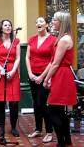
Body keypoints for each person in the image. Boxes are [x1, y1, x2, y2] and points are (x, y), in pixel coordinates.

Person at [43, 11, 77, 146]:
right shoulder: (66, 37)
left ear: (62, 22)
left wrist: (46, 79)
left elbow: (56, 63)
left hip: (61, 75)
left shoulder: (63, 40)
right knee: (60, 110)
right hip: (62, 74)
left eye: (55, 20)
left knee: (52, 110)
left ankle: (61, 142)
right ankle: (66, 139)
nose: (53, 22)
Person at [0, 19, 21, 137]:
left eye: (10, 25)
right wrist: (1, 69)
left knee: (14, 103)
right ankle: (1, 127)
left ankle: (14, 127)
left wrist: (13, 70)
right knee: (0, 102)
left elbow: (18, 58)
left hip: (12, 72)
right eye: (5, 25)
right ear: (1, 28)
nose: (8, 27)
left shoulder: (16, 41)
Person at [26, 17, 56, 143]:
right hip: (32, 75)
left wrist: (42, 76)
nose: (38, 24)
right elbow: (27, 57)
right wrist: (30, 74)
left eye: (41, 22)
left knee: (42, 104)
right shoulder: (32, 39)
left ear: (47, 25)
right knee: (35, 104)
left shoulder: (53, 40)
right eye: (37, 22)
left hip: (45, 77)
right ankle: (38, 129)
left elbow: (52, 60)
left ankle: (49, 132)